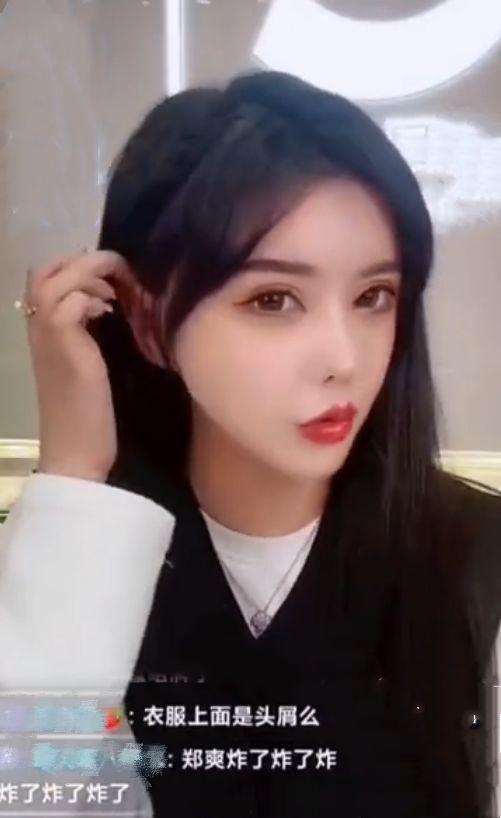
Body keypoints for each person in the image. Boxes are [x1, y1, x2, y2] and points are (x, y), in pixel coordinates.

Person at [1, 69, 500, 818]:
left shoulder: (475, 562)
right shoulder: (71, 558)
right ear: (147, 321)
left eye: (373, 297)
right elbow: (32, 798)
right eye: (273, 299)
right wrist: (75, 473)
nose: (343, 358)